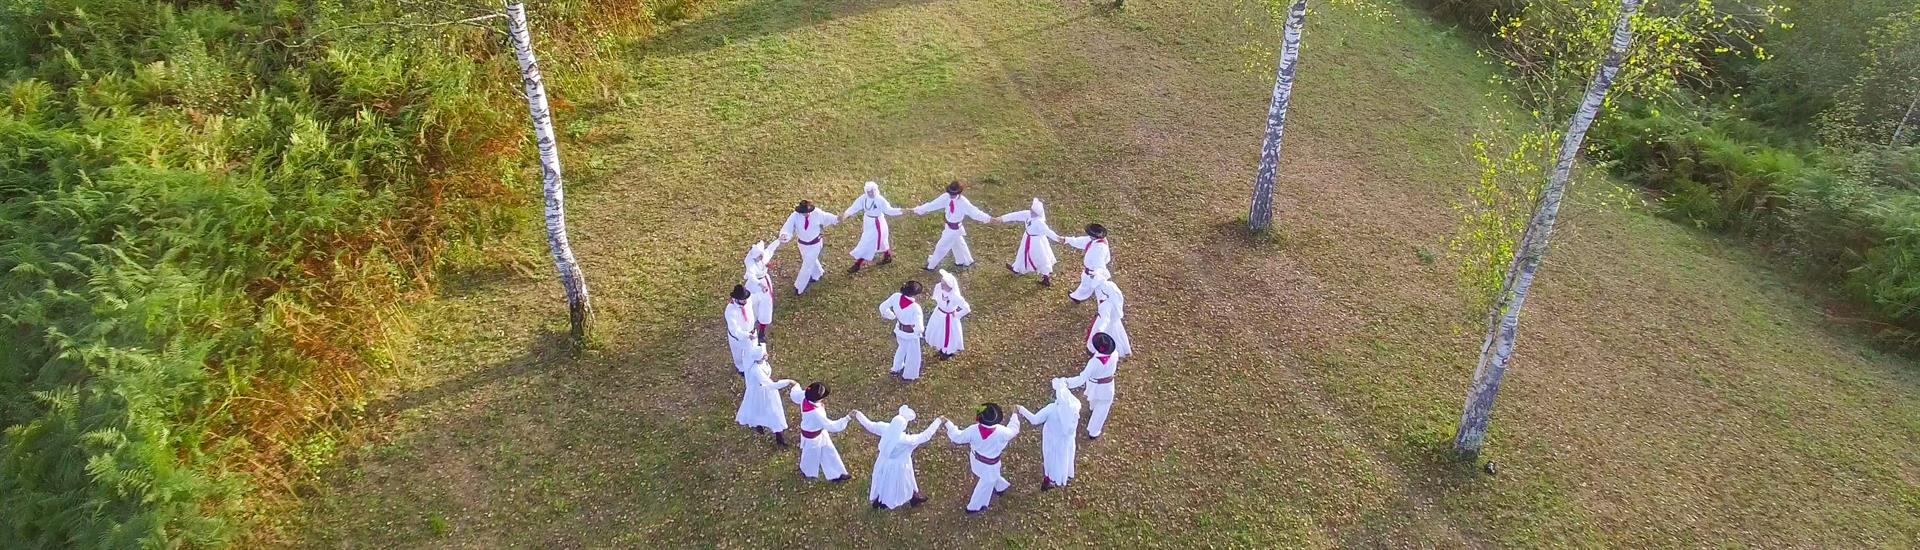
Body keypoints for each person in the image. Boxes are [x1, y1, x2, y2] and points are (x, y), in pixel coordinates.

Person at [852, 406, 946, 509]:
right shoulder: (904, 439)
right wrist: (938, 421)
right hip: (899, 466)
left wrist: (858, 414)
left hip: (883, 462)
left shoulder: (886, 429)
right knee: (899, 482)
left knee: (884, 481)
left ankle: (911, 497)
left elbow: (871, 425)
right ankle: (885, 502)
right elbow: (924, 436)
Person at [944, 403, 1020, 513]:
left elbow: (958, 437)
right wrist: (1014, 415)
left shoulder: (973, 430)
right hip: (990, 465)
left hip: (977, 461)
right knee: (987, 482)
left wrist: (948, 424)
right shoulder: (1002, 431)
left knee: (987, 483)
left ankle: (985, 499)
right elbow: (1014, 430)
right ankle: (981, 501)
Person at [1017, 378, 1083, 490]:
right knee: (1063, 458)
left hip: (1052, 440)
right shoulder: (1075, 407)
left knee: (1051, 461)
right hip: (1066, 441)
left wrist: (1021, 409)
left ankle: (1049, 479)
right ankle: (1061, 477)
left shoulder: (1051, 409)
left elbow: (1035, 420)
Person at [910, 181, 992, 271]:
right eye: (950, 193)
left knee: (941, 247)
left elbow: (975, 212)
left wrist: (988, 218)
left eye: (954, 194)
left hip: (954, 228)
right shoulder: (946, 197)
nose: (951, 195)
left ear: (959, 193)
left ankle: (931, 266)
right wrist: (918, 209)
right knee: (958, 243)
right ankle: (965, 260)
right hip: (949, 226)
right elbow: (933, 204)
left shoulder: (963, 202)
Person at [789, 382, 853, 482]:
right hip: (812, 438)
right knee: (810, 456)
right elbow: (832, 426)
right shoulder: (816, 413)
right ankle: (805, 471)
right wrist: (847, 418)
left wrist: (795, 385)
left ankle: (837, 474)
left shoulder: (805, 397)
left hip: (819, 433)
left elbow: (795, 394)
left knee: (829, 451)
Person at [734, 343, 796, 446]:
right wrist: (787, 382)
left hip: (766, 390)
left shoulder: (763, 363)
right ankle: (766, 430)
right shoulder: (756, 370)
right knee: (770, 412)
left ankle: (777, 437)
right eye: (764, 353)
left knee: (772, 413)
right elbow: (769, 384)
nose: (767, 353)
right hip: (761, 392)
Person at [778, 200, 841, 295]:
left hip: (815, 244)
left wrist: (837, 218)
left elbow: (827, 217)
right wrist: (785, 235)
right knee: (809, 260)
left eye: (808, 212)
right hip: (802, 244)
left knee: (806, 266)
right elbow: (788, 227)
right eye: (804, 213)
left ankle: (799, 287)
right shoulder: (795, 216)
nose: (807, 214)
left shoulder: (817, 213)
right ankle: (817, 273)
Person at [1065, 333, 1120, 439]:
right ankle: (1094, 429)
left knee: (1100, 405)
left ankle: (1093, 429)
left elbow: (1081, 379)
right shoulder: (1115, 354)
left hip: (1094, 385)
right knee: (1102, 406)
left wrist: (1067, 382)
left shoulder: (1094, 363)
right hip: (1107, 386)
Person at [842, 181, 904, 273]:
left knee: (867, 243)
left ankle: (858, 264)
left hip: (877, 223)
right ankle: (887, 256)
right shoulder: (863, 198)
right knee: (881, 241)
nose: (871, 193)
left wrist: (902, 211)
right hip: (868, 221)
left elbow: (889, 210)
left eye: (873, 191)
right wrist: (845, 214)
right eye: (869, 192)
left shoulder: (880, 200)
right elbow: (854, 207)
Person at [996, 197, 1060, 286]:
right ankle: (1016, 268)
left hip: (1037, 242)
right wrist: (1002, 218)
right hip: (1027, 238)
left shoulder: (1039, 222)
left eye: (1033, 211)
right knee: (1022, 253)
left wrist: (1058, 238)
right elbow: (1015, 215)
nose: (1031, 212)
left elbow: (1048, 232)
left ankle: (1046, 277)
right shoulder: (1028, 214)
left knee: (1042, 258)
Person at [877, 280, 927, 380]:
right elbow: (920, 327)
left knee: (902, 348)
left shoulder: (896, 297)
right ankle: (909, 375)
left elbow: (882, 307)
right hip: (910, 334)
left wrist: (891, 315)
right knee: (913, 355)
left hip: (899, 330)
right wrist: (918, 332)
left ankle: (896, 367)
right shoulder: (915, 308)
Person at [1052, 223, 1111, 303]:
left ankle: (1104, 304)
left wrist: (1097, 274)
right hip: (1091, 271)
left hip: (1094, 273)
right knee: (1085, 285)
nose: (1089, 236)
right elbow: (1081, 241)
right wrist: (1067, 240)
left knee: (1099, 291)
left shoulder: (1100, 248)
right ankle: (1077, 297)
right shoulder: (1094, 240)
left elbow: (1099, 264)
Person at [923, 270, 973, 360]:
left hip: (950, 318)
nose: (942, 285)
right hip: (939, 314)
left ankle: (948, 351)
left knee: (949, 335)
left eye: (944, 284)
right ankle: (941, 347)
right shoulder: (939, 287)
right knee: (939, 331)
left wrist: (957, 315)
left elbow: (967, 308)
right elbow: (937, 298)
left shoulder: (955, 296)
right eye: (942, 282)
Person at [742, 240, 781, 341]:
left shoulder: (764, 256)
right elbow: (751, 276)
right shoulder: (750, 263)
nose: (761, 258)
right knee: (752, 305)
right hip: (754, 286)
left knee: (766, 305)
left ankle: (762, 330)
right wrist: (760, 285)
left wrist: (778, 240)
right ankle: (752, 327)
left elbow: (770, 249)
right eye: (758, 257)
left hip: (765, 283)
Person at [1085, 278, 1132, 358]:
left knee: (1107, 335)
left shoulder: (1105, 304)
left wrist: (1100, 330)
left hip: (1105, 320)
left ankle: (1094, 350)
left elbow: (1104, 320)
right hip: (1112, 316)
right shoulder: (1111, 287)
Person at [724, 284, 758, 374]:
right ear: (736, 299)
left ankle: (752, 362)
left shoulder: (748, 301)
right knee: (738, 353)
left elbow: (755, 300)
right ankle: (740, 367)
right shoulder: (730, 311)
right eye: (743, 299)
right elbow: (734, 330)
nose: (745, 300)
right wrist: (746, 335)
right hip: (738, 337)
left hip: (751, 331)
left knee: (752, 348)